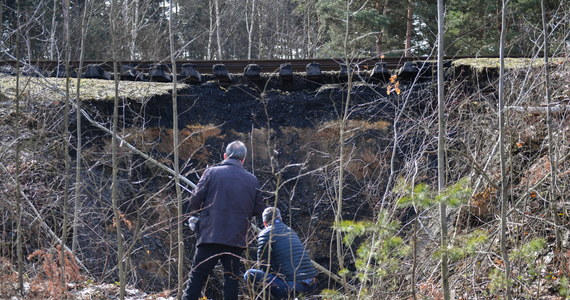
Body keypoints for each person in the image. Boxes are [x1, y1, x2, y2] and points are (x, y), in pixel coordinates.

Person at [182, 141, 266, 300]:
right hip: (236, 239)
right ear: (244, 159)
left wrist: (199, 215)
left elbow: (195, 199)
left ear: (225, 156)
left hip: (210, 235)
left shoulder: (211, 172)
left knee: (197, 276)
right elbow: (259, 210)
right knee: (232, 279)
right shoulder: (252, 180)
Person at [244, 207, 317, 299]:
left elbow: (263, 266)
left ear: (265, 223)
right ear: (281, 219)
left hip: (293, 287)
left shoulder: (265, 233)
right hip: (312, 284)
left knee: (250, 274)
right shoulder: (291, 231)